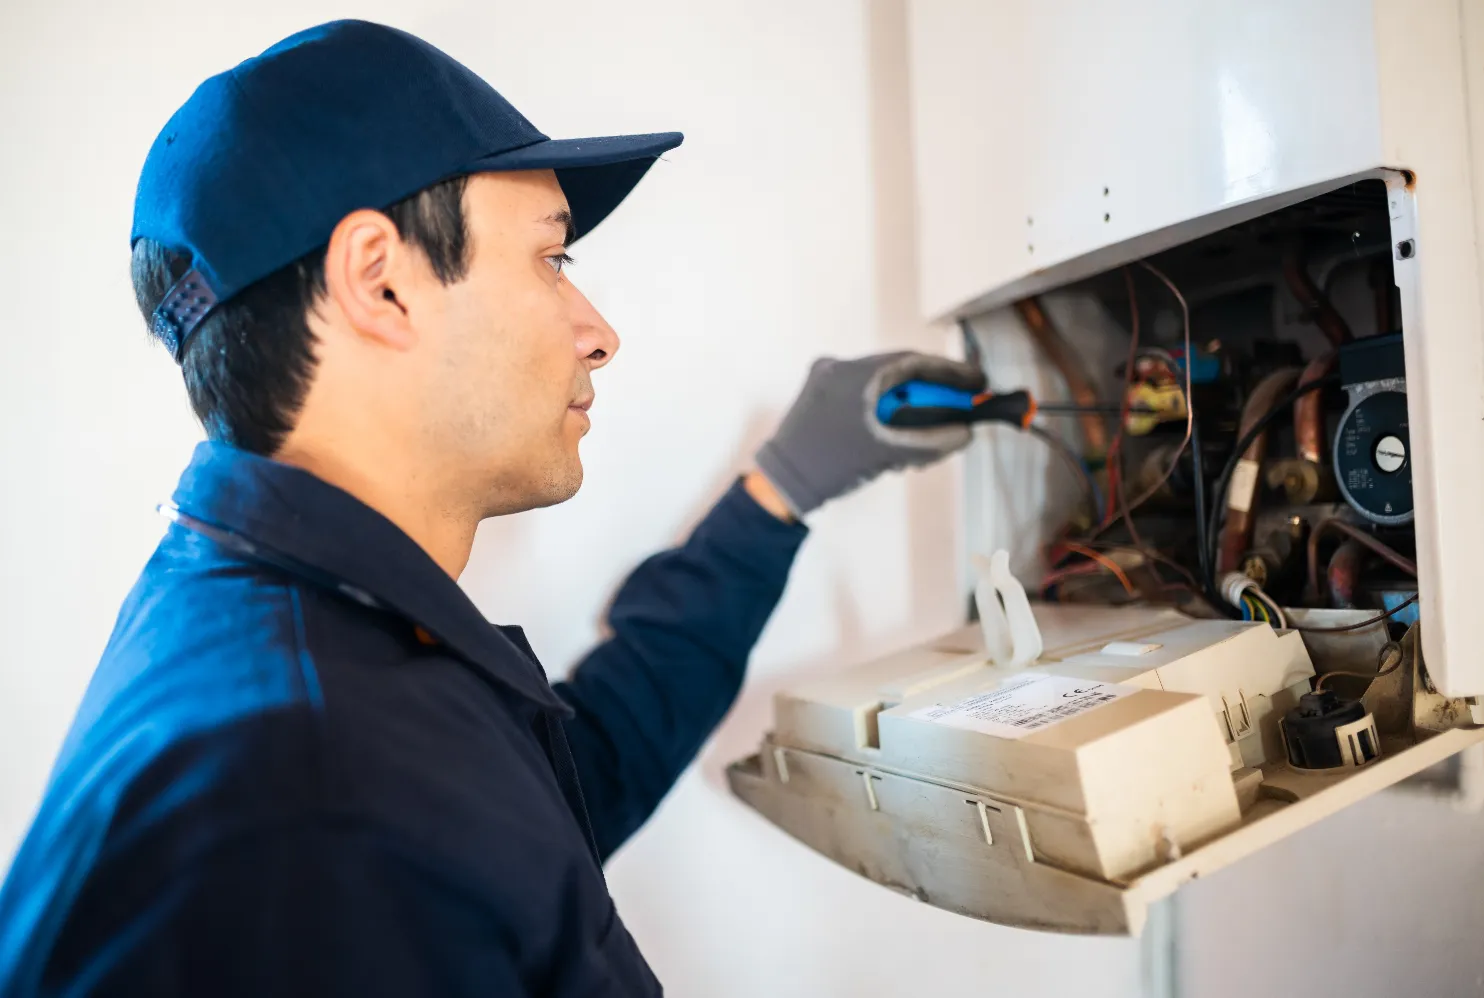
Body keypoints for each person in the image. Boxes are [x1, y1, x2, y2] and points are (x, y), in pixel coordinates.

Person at [0, 20, 984, 998]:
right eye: (553, 260)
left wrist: (779, 490)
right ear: (379, 281)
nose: (599, 334)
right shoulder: (306, 801)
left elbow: (556, 795)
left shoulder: (295, 626)